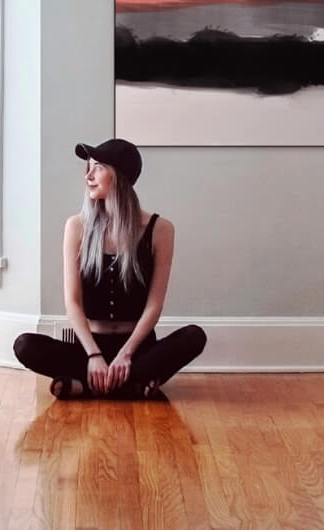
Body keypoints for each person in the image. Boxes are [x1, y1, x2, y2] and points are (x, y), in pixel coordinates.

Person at [13, 137, 207, 400]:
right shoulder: (77, 227)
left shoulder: (160, 230)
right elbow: (73, 303)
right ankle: (132, 386)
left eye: (98, 167)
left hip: (138, 348)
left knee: (194, 337)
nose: (88, 176)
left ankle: (88, 385)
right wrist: (94, 355)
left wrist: (126, 354)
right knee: (25, 345)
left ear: (120, 176)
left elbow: (154, 306)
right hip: (89, 346)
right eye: (88, 168)